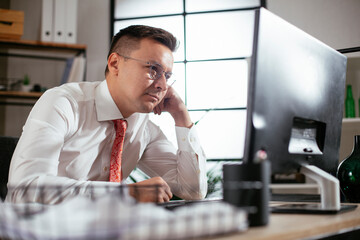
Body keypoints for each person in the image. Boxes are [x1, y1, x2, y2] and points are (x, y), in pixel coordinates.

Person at [7, 25, 207, 204]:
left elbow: (192, 190)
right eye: (153, 69)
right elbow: (25, 189)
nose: (162, 85)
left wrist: (181, 115)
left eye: (168, 75)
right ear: (114, 64)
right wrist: (124, 193)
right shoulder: (63, 104)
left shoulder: (144, 127)